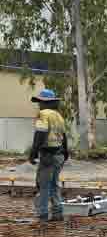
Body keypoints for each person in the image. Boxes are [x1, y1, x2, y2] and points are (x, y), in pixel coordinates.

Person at [29, 88, 68, 223]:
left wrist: (33, 152)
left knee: (43, 185)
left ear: (45, 102)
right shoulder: (58, 115)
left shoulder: (43, 114)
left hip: (47, 155)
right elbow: (64, 136)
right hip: (59, 154)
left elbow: (40, 133)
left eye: (40, 101)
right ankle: (58, 213)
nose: (39, 104)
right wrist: (66, 152)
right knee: (54, 184)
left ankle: (43, 215)